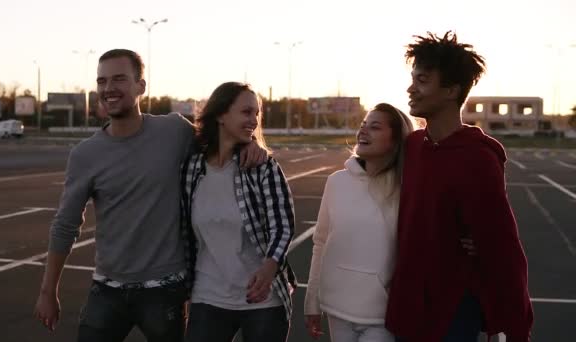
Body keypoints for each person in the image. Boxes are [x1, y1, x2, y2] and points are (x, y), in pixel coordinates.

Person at [33, 50, 266, 342]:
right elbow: (66, 224)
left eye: (119, 78)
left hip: (165, 292)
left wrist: (249, 143)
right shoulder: (85, 155)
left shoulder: (174, 131)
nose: (108, 88)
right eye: (102, 81)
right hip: (106, 290)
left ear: (141, 86)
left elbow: (219, 141)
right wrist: (47, 292)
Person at [385, 31, 533, 342]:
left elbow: (502, 249)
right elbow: (367, 163)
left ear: (451, 90)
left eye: (422, 80)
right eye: (412, 78)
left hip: (452, 312)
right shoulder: (412, 145)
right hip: (408, 306)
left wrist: (515, 327)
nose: (411, 89)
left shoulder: (478, 158)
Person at [180, 82, 296, 342]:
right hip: (208, 295)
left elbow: (283, 225)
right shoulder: (192, 167)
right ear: (221, 114)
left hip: (262, 300)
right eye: (246, 112)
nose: (254, 120)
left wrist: (269, 269)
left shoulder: (263, 167)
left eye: (256, 113)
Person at [304, 103, 414, 342]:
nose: (363, 131)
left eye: (375, 127)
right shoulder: (336, 182)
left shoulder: (407, 188)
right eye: (363, 125)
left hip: (382, 317)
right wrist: (312, 301)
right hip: (337, 309)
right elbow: (320, 242)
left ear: (395, 141)